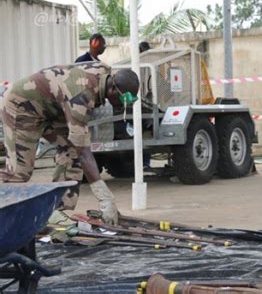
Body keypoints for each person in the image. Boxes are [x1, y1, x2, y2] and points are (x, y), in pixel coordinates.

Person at [0, 62, 140, 224]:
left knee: (71, 152)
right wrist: (105, 197)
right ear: (113, 89)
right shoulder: (81, 96)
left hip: (51, 109)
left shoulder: (105, 72)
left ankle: (56, 213)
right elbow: (84, 151)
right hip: (21, 106)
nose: (126, 103)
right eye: (126, 98)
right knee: (18, 173)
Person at [139, 41, 153, 169]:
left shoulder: (150, 65)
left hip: (147, 104)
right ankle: (145, 163)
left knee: (145, 134)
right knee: (144, 134)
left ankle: (145, 163)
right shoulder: (144, 64)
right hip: (144, 104)